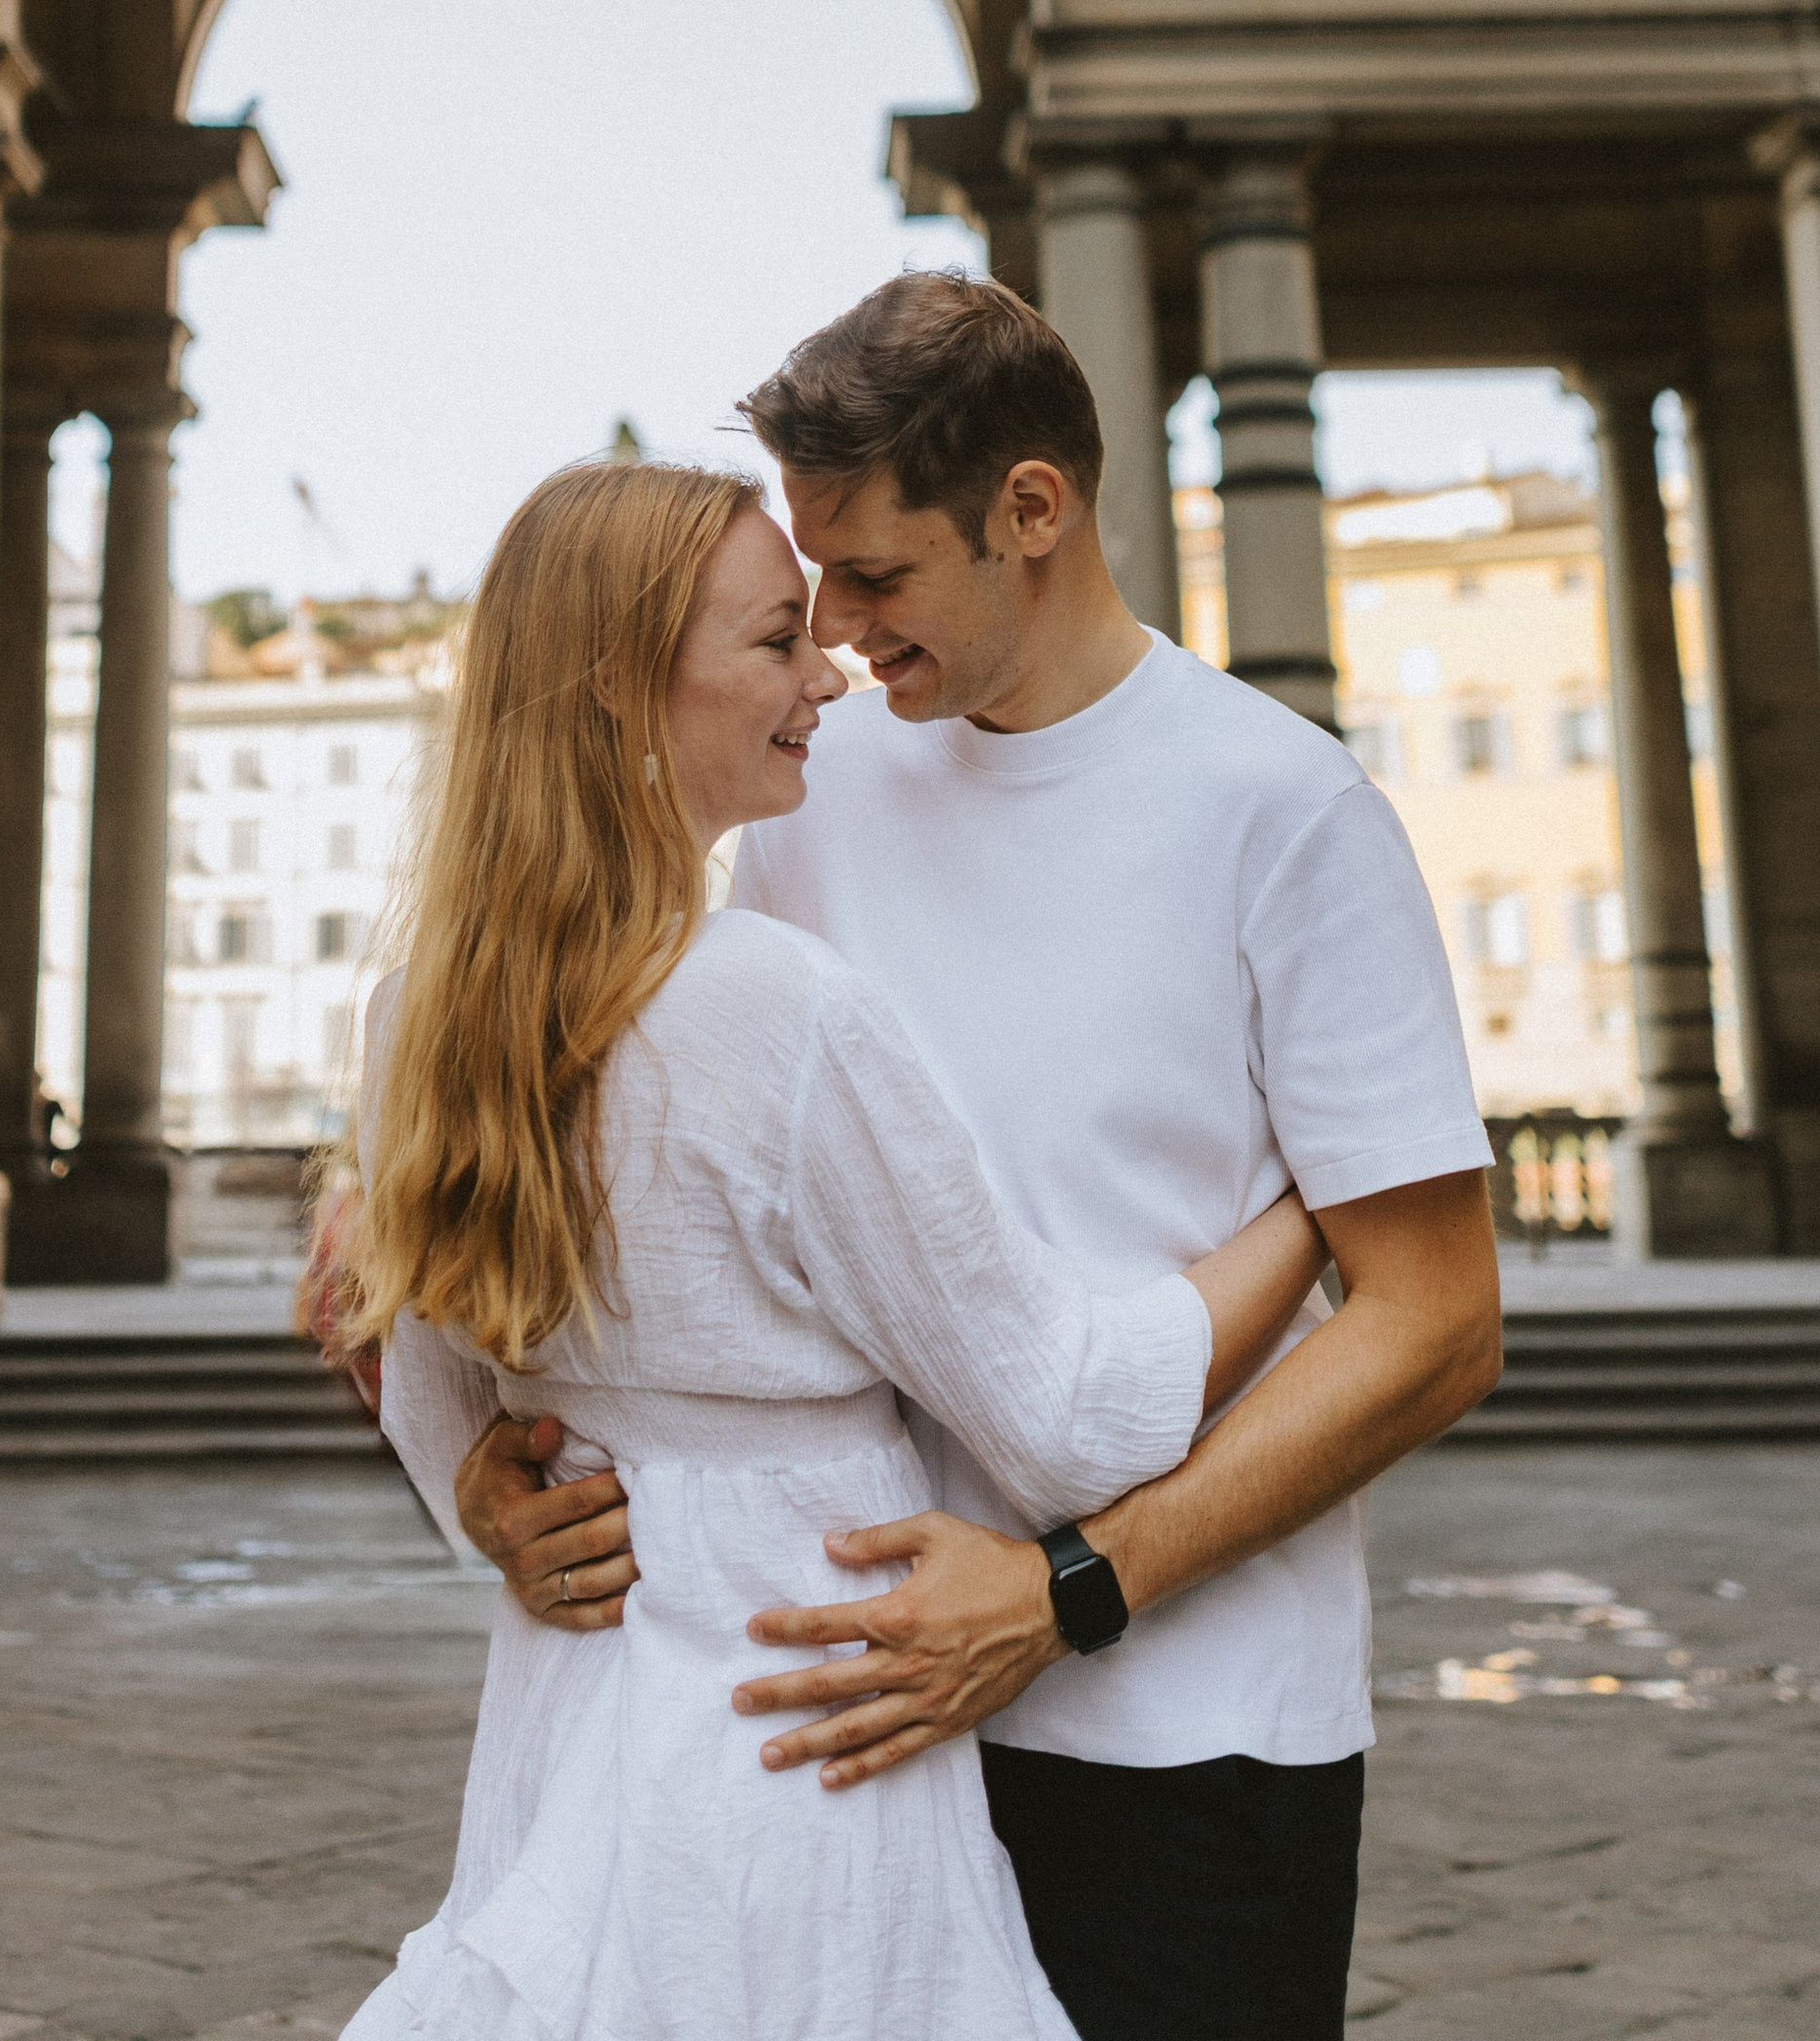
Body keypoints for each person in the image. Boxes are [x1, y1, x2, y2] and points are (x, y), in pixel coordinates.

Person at [452, 282, 1501, 2041]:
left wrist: (1071, 1593)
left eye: (873, 578)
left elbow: (1435, 1322)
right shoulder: (809, 789)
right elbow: (671, 1169)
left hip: (1186, 1728)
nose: (841, 637)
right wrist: (494, 1462)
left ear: (1032, 512)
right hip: (843, 1731)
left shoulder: (1288, 815)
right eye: (810, 590)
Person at [346, 456, 1332, 2041]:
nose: (827, 680)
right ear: (621, 694)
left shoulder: (415, 1019)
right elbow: (1064, 1412)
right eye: (772, 644)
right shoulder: (776, 1015)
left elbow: (432, 1406)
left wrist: (492, 1499)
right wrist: (1306, 1214)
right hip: (805, 1737)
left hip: (569, 1721)